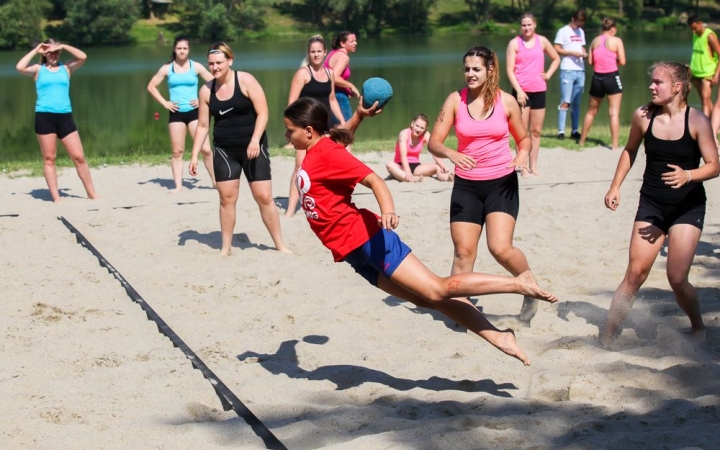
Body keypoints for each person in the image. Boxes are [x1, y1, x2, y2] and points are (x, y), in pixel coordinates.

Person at [283, 96, 558, 365]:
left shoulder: (326, 152)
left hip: (367, 239)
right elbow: (340, 142)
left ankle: (519, 283)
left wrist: (388, 210)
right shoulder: (320, 150)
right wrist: (359, 116)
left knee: (438, 289)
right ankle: (499, 337)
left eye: (290, 130)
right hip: (352, 253)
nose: (286, 135)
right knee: (430, 300)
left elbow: (374, 180)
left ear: (308, 131)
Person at [600, 61, 719, 347]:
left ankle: (697, 326)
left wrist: (688, 175)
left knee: (677, 278)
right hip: (651, 204)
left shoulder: (697, 121)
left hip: (687, 208)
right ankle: (608, 335)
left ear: (677, 88)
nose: (651, 87)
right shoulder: (643, 116)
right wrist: (615, 186)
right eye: (652, 81)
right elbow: (629, 150)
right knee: (634, 274)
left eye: (658, 83)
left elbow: (714, 166)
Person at [427, 45, 545, 326]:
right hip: (467, 186)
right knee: (463, 252)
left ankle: (528, 286)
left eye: (476, 69)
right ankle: (460, 308)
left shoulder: (507, 102)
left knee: (500, 248)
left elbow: (524, 139)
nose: (470, 74)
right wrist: (453, 154)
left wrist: (521, 155)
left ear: (490, 70)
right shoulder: (455, 100)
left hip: (501, 183)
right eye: (466, 68)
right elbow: (434, 141)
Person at [188, 42, 290, 256]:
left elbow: (263, 113)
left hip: (254, 146)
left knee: (263, 196)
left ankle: (280, 244)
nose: (215, 67)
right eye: (211, 64)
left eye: (219, 63)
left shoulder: (246, 80)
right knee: (226, 198)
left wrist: (255, 140)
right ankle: (225, 248)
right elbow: (204, 125)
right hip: (225, 150)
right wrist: (195, 154)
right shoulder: (206, 90)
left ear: (230, 61)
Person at [15, 39, 99, 203]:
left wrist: (63, 46)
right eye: (49, 52)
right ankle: (56, 198)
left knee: (79, 157)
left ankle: (91, 193)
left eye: (56, 52)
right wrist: (37, 49)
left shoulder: (66, 68)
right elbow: (19, 67)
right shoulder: (38, 69)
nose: (53, 55)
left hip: (65, 117)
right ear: (44, 54)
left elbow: (83, 57)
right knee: (49, 159)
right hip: (44, 117)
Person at [285, 35, 347, 217]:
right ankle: (290, 210)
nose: (316, 55)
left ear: (325, 53)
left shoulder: (330, 74)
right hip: (305, 126)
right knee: (299, 167)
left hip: (326, 125)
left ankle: (325, 203)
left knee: (327, 165)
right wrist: (291, 129)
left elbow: (332, 99)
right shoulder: (303, 74)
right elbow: (292, 103)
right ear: (308, 53)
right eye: (312, 52)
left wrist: (342, 122)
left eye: (319, 51)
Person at [147, 36, 215, 192]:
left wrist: (201, 98)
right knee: (177, 152)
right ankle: (178, 186)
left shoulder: (196, 67)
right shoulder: (167, 68)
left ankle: (215, 181)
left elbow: (214, 82)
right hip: (176, 113)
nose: (182, 51)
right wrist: (165, 103)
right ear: (174, 50)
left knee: (205, 149)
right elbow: (151, 86)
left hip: (195, 113)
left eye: (185, 48)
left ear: (189, 50)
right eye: (179, 48)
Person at [506, 12, 560, 176]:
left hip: (539, 90)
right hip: (521, 92)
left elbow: (556, 58)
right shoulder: (514, 43)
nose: (527, 28)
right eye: (524, 25)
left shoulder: (542, 41)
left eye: (529, 24)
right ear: (520, 26)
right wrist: (519, 91)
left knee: (536, 131)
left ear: (534, 25)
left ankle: (533, 165)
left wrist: (549, 74)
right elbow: (509, 70)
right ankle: (522, 167)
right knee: (521, 132)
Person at [578, 18, 626, 150]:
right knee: (614, 112)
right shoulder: (616, 41)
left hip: (597, 78)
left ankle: (582, 141)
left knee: (591, 111)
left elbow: (590, 62)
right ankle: (615, 145)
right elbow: (622, 61)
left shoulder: (594, 41)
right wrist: (613, 59)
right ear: (612, 29)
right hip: (612, 77)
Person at [385, 114, 453, 182]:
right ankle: (412, 179)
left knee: (437, 167)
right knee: (389, 165)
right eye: (417, 126)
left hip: (416, 167)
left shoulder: (426, 135)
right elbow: (403, 156)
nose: (418, 129)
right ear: (412, 124)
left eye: (422, 128)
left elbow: (433, 151)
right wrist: (408, 171)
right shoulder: (403, 134)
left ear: (425, 129)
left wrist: (442, 165)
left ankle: (447, 178)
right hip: (401, 165)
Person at [554, 10, 587, 141]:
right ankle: (561, 131)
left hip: (580, 70)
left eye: (581, 24)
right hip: (567, 69)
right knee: (565, 101)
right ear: (572, 19)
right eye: (577, 23)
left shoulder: (581, 32)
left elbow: (582, 47)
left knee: (577, 102)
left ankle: (574, 130)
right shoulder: (563, 31)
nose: (579, 26)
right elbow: (556, 48)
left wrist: (583, 53)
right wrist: (572, 53)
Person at [687, 15, 720, 118]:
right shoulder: (695, 35)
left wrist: (716, 74)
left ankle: (704, 125)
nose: (693, 31)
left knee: (705, 100)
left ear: (700, 23)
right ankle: (715, 124)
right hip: (696, 73)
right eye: (691, 29)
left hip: (708, 73)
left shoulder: (709, 35)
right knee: (704, 99)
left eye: (695, 28)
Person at [324, 31, 360, 124]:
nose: (355, 43)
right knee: (345, 127)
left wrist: (346, 90)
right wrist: (351, 86)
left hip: (329, 94)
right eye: (352, 41)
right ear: (342, 43)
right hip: (337, 96)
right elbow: (334, 77)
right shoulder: (343, 57)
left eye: (355, 41)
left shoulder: (333, 53)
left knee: (335, 128)